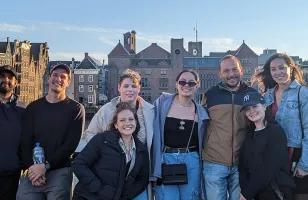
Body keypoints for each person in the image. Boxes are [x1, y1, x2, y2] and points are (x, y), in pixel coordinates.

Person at [81, 69, 154, 200]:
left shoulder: (149, 111)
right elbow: (90, 133)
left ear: (139, 88)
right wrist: (102, 152)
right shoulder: (106, 110)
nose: (129, 90)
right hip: (109, 175)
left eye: (134, 86)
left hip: (136, 175)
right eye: (126, 86)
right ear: (119, 87)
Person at [17, 64, 85, 200]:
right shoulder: (33, 108)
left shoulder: (76, 109)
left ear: (68, 82)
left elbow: (70, 145)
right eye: (55, 75)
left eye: (63, 77)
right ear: (49, 78)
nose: (58, 79)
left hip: (59, 171)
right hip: (33, 171)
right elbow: (25, 141)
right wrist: (32, 168)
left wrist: (46, 166)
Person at [201, 55, 256, 200]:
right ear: (220, 74)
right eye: (226, 71)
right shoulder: (210, 95)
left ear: (241, 70)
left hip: (242, 163)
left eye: (234, 69)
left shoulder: (252, 95)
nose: (231, 74)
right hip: (214, 162)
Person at [255, 53, 308, 199]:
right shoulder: (268, 95)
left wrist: (305, 164)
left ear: (291, 68)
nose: (278, 72)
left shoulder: (302, 94)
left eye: (281, 68)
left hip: (295, 155)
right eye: (273, 69)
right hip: (273, 156)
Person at [72, 102, 149, 200]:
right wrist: (98, 188)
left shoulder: (141, 150)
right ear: (116, 125)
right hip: (88, 196)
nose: (127, 123)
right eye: (122, 120)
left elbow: (142, 180)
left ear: (136, 122)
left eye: (131, 119)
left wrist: (125, 196)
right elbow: (79, 164)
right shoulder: (102, 140)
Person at [152, 70, 209, 200]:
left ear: (197, 85)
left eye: (191, 83)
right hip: (166, 159)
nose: (186, 85)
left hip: (191, 160)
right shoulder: (162, 104)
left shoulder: (201, 113)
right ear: (176, 84)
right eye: (182, 82)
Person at [239, 91, 294, 200]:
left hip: (275, 191)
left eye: (255, 106)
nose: (251, 111)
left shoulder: (275, 132)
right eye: (247, 109)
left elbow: (268, 168)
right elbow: (243, 167)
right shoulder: (249, 135)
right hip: (255, 193)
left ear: (264, 106)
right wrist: (245, 190)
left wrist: (246, 194)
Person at [0, 65, 25, 200]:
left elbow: (28, 139)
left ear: (16, 83)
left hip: (11, 172)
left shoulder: (24, 109)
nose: (6, 80)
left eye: (10, 77)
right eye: (2, 76)